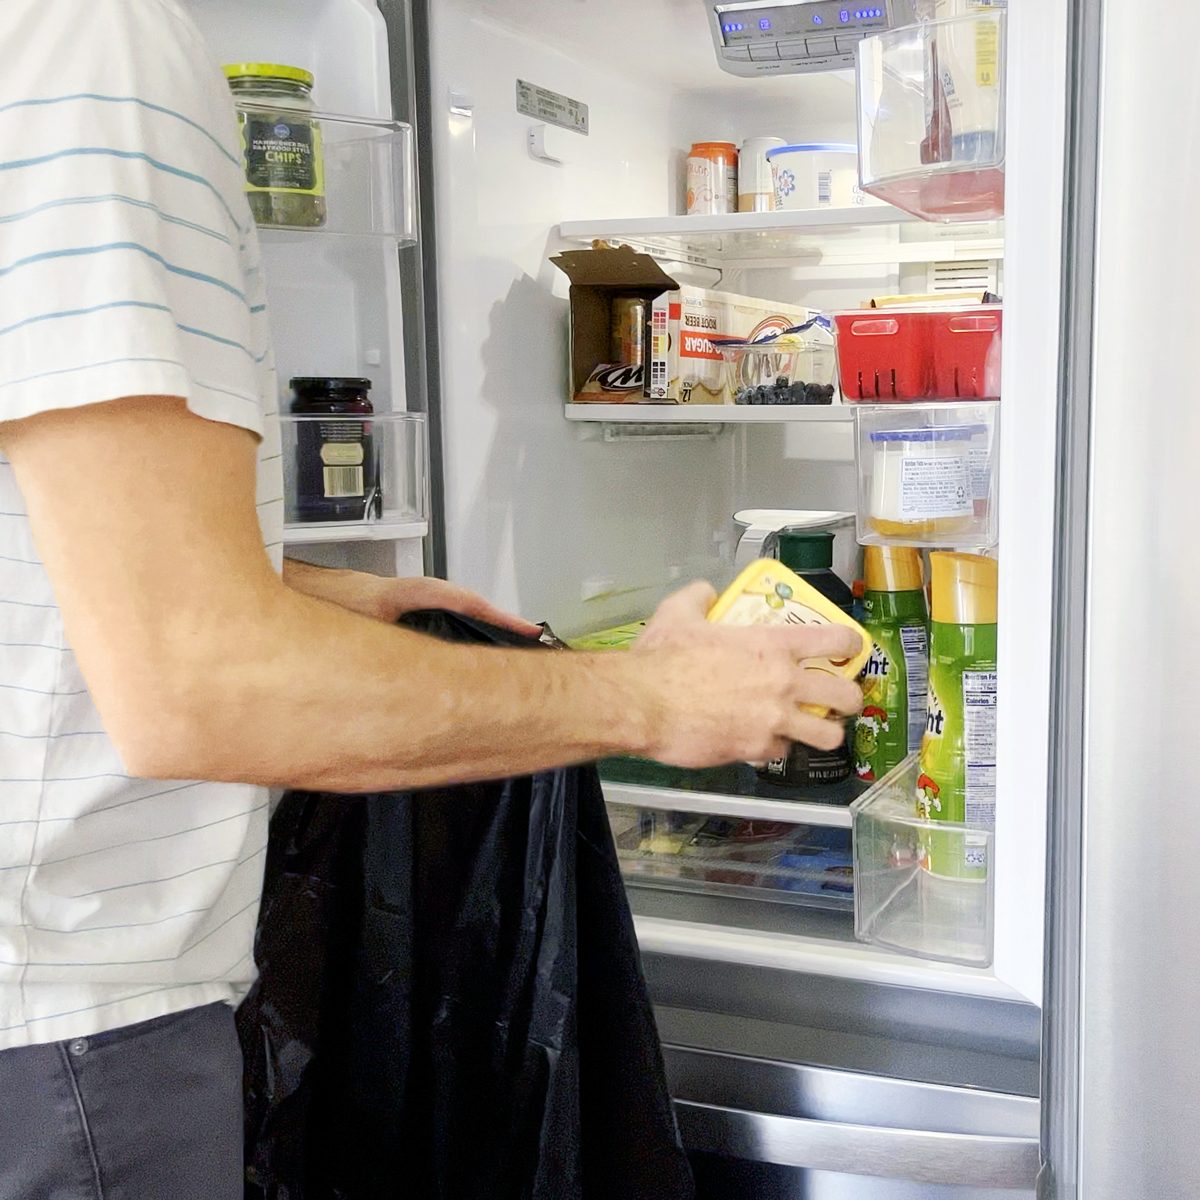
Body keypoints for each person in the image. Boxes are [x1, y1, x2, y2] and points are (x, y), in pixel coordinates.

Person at [0, 2, 863, 1197]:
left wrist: (294, 595)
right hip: (65, 1034)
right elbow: (192, 682)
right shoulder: (92, 43)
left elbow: (50, 546)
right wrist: (653, 697)